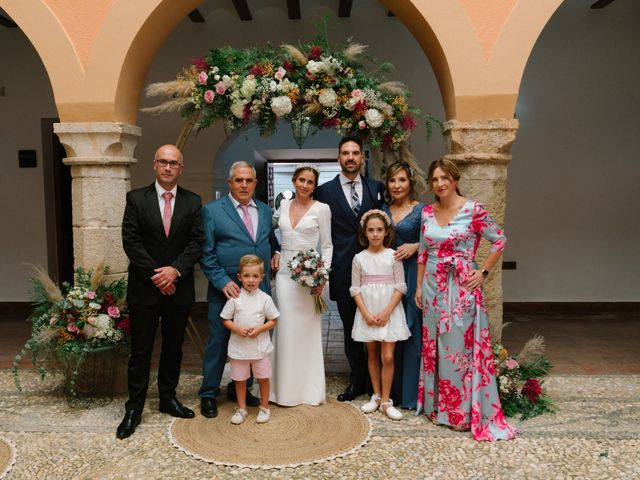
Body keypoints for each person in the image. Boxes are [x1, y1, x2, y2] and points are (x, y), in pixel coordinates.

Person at [415, 158, 516, 441]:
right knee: (434, 346)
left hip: (462, 289)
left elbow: (499, 240)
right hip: (433, 288)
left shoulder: (473, 210)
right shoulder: (426, 212)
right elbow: (423, 252)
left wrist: (482, 271)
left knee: (458, 351)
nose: (439, 184)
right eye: (434, 179)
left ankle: (461, 412)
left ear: (455, 180)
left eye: (444, 178)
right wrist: (419, 287)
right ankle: (437, 409)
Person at [117, 144, 204, 439]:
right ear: (154, 165)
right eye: (163, 162)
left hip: (178, 288)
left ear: (181, 168)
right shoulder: (136, 199)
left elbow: (196, 243)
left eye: (174, 163)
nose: (168, 167)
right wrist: (157, 274)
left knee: (173, 347)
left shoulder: (193, 202)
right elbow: (131, 241)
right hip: (145, 288)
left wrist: (174, 271)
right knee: (140, 350)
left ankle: (168, 398)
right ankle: (134, 407)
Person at [199, 161, 280, 419]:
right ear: (230, 183)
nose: (244, 185)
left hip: (259, 291)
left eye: (248, 180)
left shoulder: (266, 211)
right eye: (238, 180)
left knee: (253, 339)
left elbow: (269, 239)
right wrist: (223, 282)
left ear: (255, 183)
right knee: (219, 342)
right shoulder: (212, 211)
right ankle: (209, 394)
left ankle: (240, 388)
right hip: (227, 291)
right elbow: (206, 253)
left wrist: (276, 252)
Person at [315, 136, 385, 402]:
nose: (351, 157)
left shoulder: (376, 188)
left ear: (362, 158)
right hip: (343, 269)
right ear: (338, 158)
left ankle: (379, 381)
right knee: (351, 328)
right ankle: (357, 381)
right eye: (345, 153)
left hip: (376, 270)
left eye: (355, 152)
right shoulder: (324, 192)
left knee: (379, 325)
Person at [269, 164, 333, 406]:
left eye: (310, 182)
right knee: (284, 328)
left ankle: (308, 389)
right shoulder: (283, 205)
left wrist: (322, 276)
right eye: (301, 180)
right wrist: (275, 250)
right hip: (284, 276)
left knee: (306, 332)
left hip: (309, 278)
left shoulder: (322, 209)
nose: (305, 185)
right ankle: (281, 389)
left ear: (314, 186)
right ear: (294, 181)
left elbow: (327, 246)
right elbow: (271, 232)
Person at [350, 210, 411, 420]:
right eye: (371, 230)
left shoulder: (393, 256)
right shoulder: (359, 258)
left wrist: (386, 312)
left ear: (386, 232)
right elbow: (355, 289)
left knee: (388, 355)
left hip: (389, 311)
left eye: (379, 230)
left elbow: (400, 287)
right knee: (372, 353)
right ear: (365, 233)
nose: (375, 234)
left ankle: (386, 400)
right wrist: (366, 314)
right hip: (368, 311)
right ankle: (376, 396)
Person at [382, 162, 424, 410]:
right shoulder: (381, 209)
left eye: (402, 180)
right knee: (390, 331)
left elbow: (434, 239)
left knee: (411, 330)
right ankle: (391, 391)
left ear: (410, 183)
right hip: (386, 276)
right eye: (392, 180)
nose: (397, 185)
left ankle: (412, 393)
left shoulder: (422, 211)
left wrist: (416, 246)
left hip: (413, 272)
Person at [222, 255, 279, 424]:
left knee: (263, 377)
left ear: (262, 277)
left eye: (255, 276)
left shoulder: (265, 299)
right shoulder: (235, 298)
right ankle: (241, 408)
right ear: (239, 277)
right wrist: (237, 329)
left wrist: (260, 329)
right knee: (240, 379)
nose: (251, 280)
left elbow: (273, 319)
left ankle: (264, 406)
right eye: (246, 276)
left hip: (259, 348)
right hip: (239, 348)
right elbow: (225, 319)